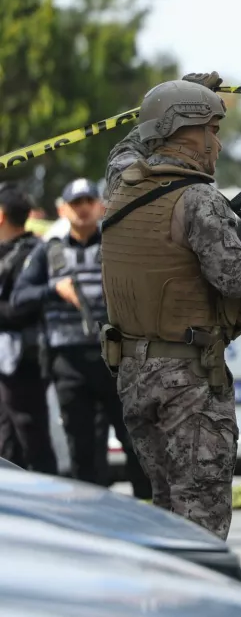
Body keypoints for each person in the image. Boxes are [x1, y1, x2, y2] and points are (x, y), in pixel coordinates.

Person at [99, 72, 241, 539]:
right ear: (186, 134)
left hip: (135, 376)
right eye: (211, 130)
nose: (216, 145)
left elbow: (124, 151)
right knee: (201, 519)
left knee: (166, 509)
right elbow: (234, 278)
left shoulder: (119, 188)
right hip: (189, 381)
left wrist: (171, 98)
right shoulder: (197, 199)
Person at [11, 179, 150, 497]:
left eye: (89, 201)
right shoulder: (50, 251)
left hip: (116, 360)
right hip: (69, 364)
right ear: (63, 209)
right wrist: (54, 290)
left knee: (136, 442)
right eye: (76, 203)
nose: (83, 208)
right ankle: (93, 521)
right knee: (82, 447)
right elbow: (20, 298)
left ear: (100, 206)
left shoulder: (118, 247)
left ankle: (150, 511)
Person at [0, 184, 57, 473]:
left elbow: (21, 308)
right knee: (6, 445)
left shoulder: (33, 253)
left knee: (32, 438)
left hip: (24, 359)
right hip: (8, 362)